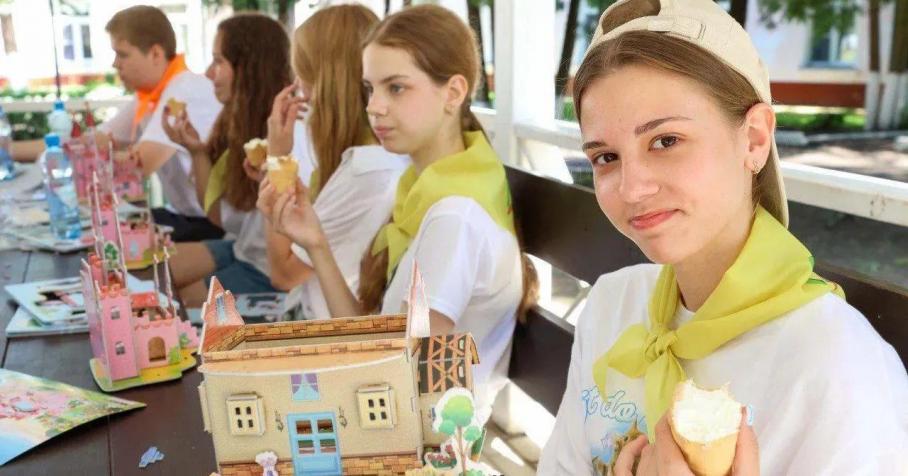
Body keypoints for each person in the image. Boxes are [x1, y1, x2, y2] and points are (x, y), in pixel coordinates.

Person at [537, 0, 908, 474]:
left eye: (665, 141)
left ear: (754, 139)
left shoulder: (837, 367)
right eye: (606, 157)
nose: (632, 189)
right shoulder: (613, 304)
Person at [259, 5, 537, 417]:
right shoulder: (429, 191)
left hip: (420, 438)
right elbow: (376, 348)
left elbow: (409, 384)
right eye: (370, 88)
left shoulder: (453, 216)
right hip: (392, 416)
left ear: (453, 93)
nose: (374, 107)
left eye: (396, 88)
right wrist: (316, 243)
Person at [252, 4, 409, 319]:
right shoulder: (376, 158)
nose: (300, 90)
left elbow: (283, 273)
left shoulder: (366, 172)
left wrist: (277, 160)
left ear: (325, 84)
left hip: (319, 327)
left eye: (303, 76)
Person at [160, 13, 314, 307]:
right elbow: (216, 215)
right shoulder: (241, 123)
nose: (208, 73)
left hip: (265, 268)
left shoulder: (288, 130)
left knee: (174, 301)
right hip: (244, 249)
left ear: (247, 68)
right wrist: (197, 152)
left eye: (218, 61)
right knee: (157, 273)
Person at [100, 5, 222, 242]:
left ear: (156, 54)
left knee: (114, 241)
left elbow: (138, 165)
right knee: (109, 233)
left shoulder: (184, 90)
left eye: (122, 54)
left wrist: (87, 160)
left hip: (211, 225)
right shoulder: (150, 95)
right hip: (186, 216)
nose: (115, 64)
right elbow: (97, 141)